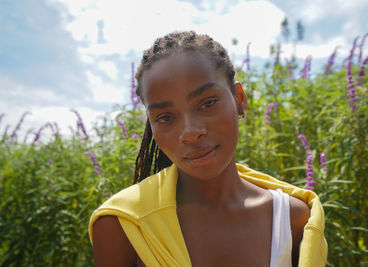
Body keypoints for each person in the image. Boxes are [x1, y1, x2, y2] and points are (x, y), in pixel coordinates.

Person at [89, 31, 327, 267]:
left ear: (239, 99)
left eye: (207, 103)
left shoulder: (293, 219)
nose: (191, 133)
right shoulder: (124, 224)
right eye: (165, 117)